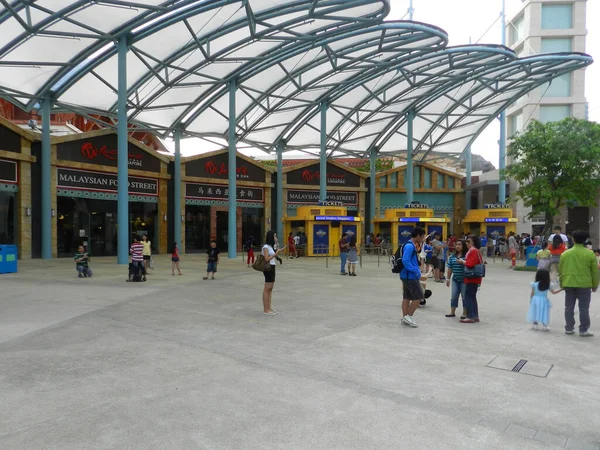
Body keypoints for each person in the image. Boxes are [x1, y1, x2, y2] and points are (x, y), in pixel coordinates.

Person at [558, 230, 599, 337]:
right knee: (584, 308)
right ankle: (584, 330)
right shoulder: (590, 254)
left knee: (569, 307)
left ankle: (569, 328)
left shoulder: (565, 254)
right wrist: (595, 285)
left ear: (573, 239)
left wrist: (562, 283)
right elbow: (595, 271)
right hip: (584, 284)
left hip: (569, 283)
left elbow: (560, 271)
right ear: (585, 240)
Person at [400, 226, 428, 328]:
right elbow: (405, 261)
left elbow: (419, 251)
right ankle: (409, 316)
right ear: (418, 235)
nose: (423, 238)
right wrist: (416, 272)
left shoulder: (411, 244)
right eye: (422, 237)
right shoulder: (410, 246)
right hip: (410, 276)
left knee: (407, 297)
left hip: (406, 275)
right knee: (419, 296)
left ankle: (405, 317)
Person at [461, 235, 483, 323]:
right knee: (472, 296)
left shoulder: (473, 251)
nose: (466, 243)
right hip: (475, 277)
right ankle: (475, 315)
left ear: (473, 242)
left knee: (468, 296)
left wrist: (463, 261)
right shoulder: (476, 251)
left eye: (468, 241)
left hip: (472, 277)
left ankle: (470, 316)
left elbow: (470, 264)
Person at [262, 230, 285, 316]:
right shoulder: (266, 247)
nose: (276, 238)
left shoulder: (271, 246)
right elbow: (266, 259)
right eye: (274, 236)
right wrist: (276, 254)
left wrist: (278, 251)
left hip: (272, 267)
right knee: (267, 288)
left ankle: (269, 307)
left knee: (270, 289)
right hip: (268, 268)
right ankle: (265, 309)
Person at [445, 239, 467, 319]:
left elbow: (470, 265)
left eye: (460, 245)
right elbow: (450, 268)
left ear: (463, 246)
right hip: (455, 280)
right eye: (456, 244)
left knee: (464, 297)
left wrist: (463, 262)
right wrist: (448, 279)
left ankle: (465, 312)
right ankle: (452, 312)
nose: (457, 246)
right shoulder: (452, 256)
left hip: (465, 280)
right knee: (454, 296)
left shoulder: (466, 256)